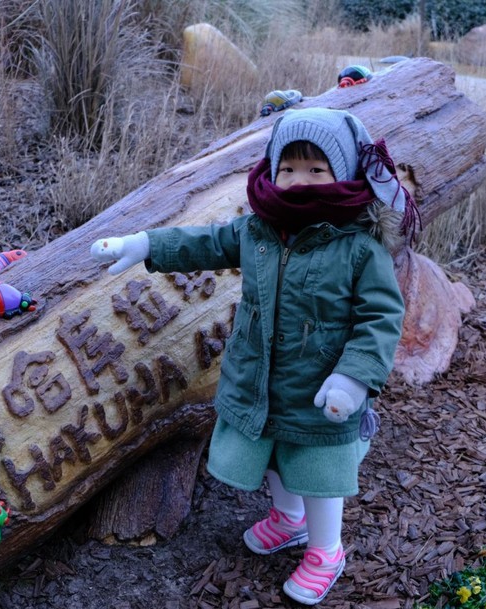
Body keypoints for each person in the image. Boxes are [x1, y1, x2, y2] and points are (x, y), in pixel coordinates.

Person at [89, 107, 413, 605]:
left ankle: (327, 550)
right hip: (258, 378)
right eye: (288, 168)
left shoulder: (358, 248)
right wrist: (148, 245)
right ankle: (288, 520)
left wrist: (354, 378)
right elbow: (208, 242)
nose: (298, 181)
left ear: (343, 173)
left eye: (316, 169)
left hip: (321, 387)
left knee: (318, 469)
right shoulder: (260, 229)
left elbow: (381, 319)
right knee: (275, 458)